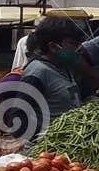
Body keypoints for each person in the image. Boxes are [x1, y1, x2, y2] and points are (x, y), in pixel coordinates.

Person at [10, 15, 90, 143]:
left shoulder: (66, 68)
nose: (79, 49)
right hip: (46, 152)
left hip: (67, 145)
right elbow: (18, 117)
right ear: (53, 46)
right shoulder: (37, 72)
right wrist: (48, 137)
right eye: (73, 44)